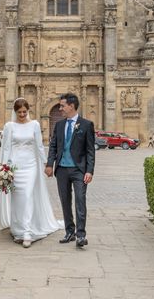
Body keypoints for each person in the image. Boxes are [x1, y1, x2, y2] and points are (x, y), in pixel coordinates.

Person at [0, 98, 62, 248]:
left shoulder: (34, 125)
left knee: (27, 195)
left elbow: (39, 146)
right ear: (15, 112)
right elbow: (6, 148)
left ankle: (27, 231)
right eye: (19, 112)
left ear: (28, 111)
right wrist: (3, 168)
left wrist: (46, 163)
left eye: (24, 112)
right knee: (17, 198)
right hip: (15, 166)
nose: (22, 114)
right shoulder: (9, 126)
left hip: (31, 166)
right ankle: (18, 230)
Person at [45, 92, 96, 248]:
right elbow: (53, 146)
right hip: (61, 169)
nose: (60, 108)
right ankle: (69, 232)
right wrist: (49, 164)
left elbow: (90, 151)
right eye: (59, 106)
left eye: (62, 105)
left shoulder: (86, 125)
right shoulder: (59, 125)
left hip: (79, 170)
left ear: (72, 106)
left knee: (80, 200)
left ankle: (81, 235)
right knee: (65, 201)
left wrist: (89, 171)